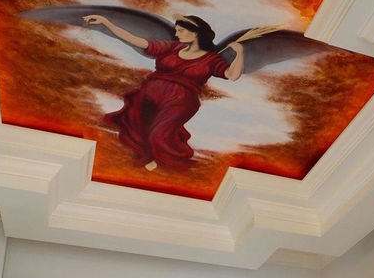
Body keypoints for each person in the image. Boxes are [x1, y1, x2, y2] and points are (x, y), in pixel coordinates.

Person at [82, 14, 279, 170]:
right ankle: (147, 157)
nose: (177, 34)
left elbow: (232, 75)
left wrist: (239, 53)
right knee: (140, 128)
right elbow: (137, 41)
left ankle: (163, 161)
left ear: (195, 34)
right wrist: (107, 23)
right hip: (149, 94)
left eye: (181, 31)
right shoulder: (172, 48)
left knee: (160, 133)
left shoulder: (211, 59)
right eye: (177, 30)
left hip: (181, 100)